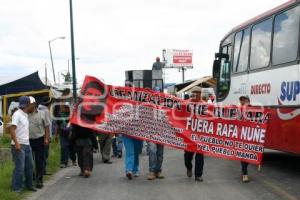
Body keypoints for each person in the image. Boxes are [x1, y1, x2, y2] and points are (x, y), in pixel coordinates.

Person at [9, 96, 36, 192]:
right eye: (31, 104)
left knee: (29, 166)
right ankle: (16, 188)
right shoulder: (17, 114)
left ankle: (29, 185)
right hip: (19, 145)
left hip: (26, 144)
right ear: (27, 104)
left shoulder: (25, 114)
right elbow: (12, 129)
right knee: (20, 168)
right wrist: (16, 144)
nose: (32, 106)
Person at [28, 97, 50, 189]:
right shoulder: (25, 114)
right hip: (28, 140)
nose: (27, 106)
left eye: (29, 104)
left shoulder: (42, 113)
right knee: (29, 161)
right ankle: (31, 178)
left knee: (39, 160)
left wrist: (46, 139)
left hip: (40, 139)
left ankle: (39, 180)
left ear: (34, 104)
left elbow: (46, 127)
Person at [184, 86, 205, 182]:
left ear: (201, 94)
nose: (196, 94)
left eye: (198, 92)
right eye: (194, 92)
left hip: (201, 135)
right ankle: (189, 167)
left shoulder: (205, 105)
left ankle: (198, 175)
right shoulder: (186, 104)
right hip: (188, 135)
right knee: (188, 156)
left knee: (200, 156)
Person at [147, 86, 165, 180]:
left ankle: (158, 170)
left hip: (162, 133)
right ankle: (152, 171)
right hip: (151, 133)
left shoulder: (165, 105)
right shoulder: (147, 105)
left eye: (158, 93)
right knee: (152, 150)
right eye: (155, 93)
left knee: (160, 153)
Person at [38, 96, 52, 175]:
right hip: (45, 136)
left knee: (41, 154)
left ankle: (42, 170)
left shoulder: (39, 109)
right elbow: (47, 126)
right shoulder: (46, 111)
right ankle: (43, 170)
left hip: (40, 135)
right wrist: (48, 137)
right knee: (44, 154)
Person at [239, 95, 251, 183]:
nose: (242, 101)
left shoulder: (254, 109)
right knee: (243, 155)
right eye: (241, 100)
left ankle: (244, 169)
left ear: (248, 100)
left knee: (249, 156)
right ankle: (245, 174)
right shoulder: (238, 109)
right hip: (241, 136)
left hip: (251, 136)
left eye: (244, 99)